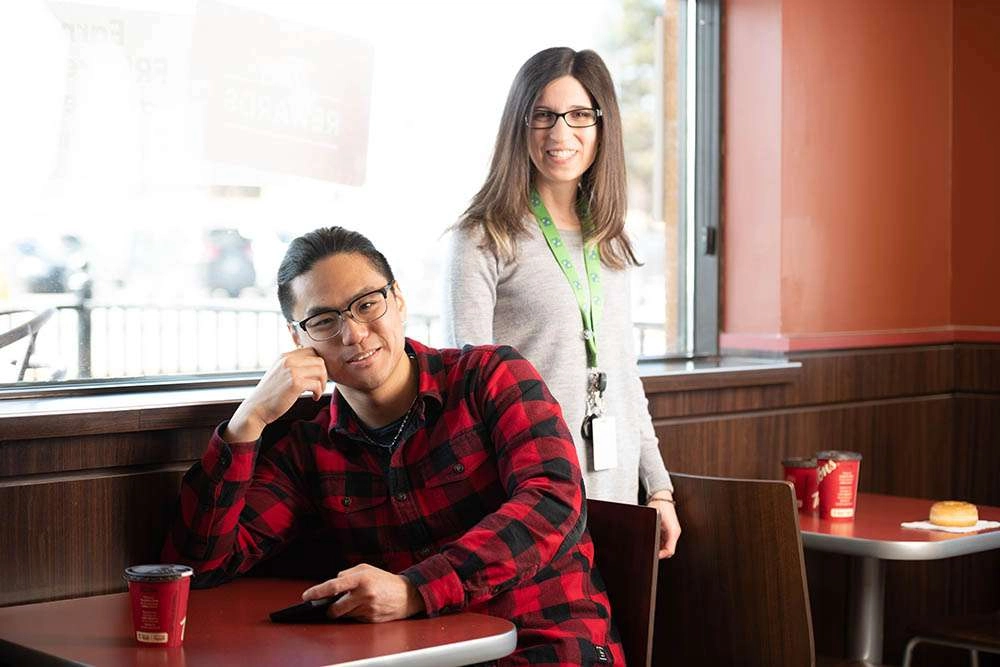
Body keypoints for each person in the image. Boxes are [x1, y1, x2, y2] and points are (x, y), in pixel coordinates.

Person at [162, 226, 624, 666]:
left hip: (544, 642)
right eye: (325, 320)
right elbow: (198, 567)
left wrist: (414, 590)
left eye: (366, 305)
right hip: (413, 656)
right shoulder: (310, 446)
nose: (354, 334)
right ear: (298, 339)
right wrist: (248, 421)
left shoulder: (489, 375)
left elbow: (552, 502)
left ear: (397, 299)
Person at [444, 47, 681, 558]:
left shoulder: (610, 240)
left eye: (578, 116)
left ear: (602, 126)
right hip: (527, 491)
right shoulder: (484, 236)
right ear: (520, 124)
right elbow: (466, 385)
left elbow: (623, 376)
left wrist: (657, 489)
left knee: (612, 634)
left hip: (613, 488)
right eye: (543, 116)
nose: (560, 134)